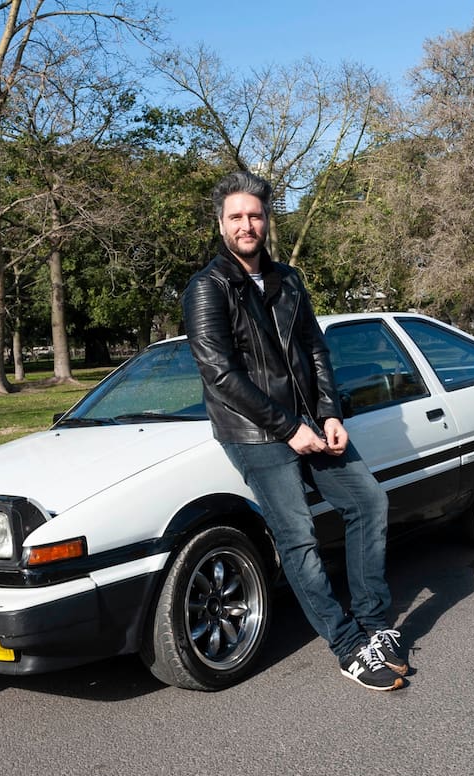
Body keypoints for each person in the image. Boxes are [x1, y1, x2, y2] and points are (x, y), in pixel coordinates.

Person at [182, 170, 408, 691]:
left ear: (267, 221)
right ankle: (348, 646)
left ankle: (374, 626)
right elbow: (221, 375)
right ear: (221, 224)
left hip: (309, 420)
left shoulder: (289, 281)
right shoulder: (207, 289)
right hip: (255, 434)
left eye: (255, 215)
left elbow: (315, 350)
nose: (247, 224)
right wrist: (287, 429)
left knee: (369, 501)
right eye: (236, 216)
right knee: (298, 537)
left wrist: (329, 413)